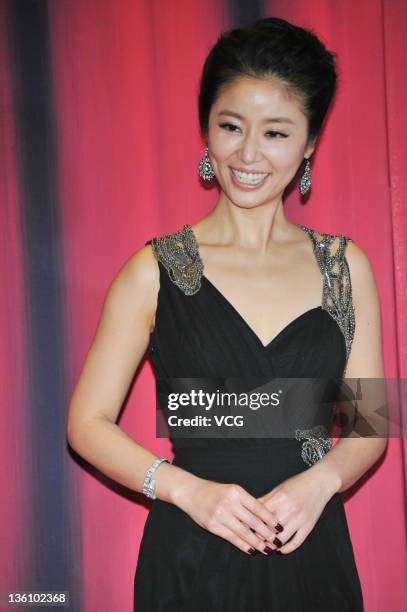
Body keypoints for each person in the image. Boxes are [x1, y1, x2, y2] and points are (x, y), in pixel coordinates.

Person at [67, 16, 386, 611]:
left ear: (311, 142)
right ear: (206, 130)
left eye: (276, 133)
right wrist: (188, 492)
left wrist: (318, 485)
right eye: (231, 126)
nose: (248, 154)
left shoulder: (345, 267)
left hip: (309, 553)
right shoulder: (153, 270)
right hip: (190, 555)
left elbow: (369, 426)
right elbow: (86, 423)